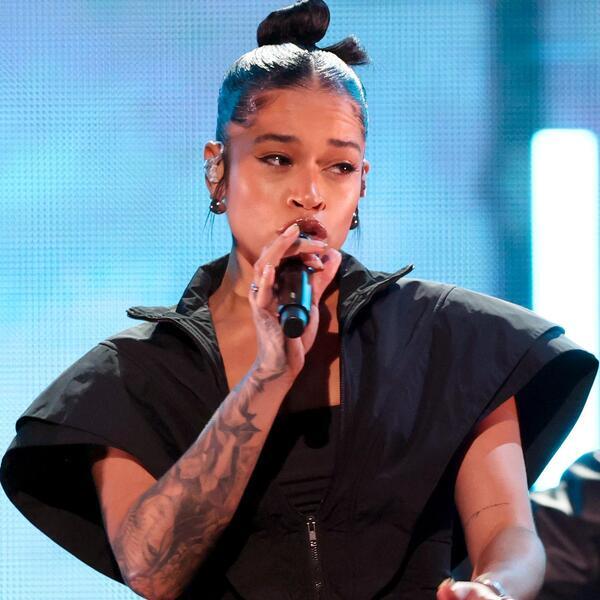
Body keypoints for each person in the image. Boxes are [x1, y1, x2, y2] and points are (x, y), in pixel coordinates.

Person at [1, 1, 597, 599]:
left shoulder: (453, 339)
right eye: (277, 159)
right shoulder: (136, 376)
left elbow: (510, 535)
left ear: (362, 182)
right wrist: (268, 376)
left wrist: (493, 589)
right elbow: (152, 569)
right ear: (217, 169)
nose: (310, 193)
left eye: (339, 167)